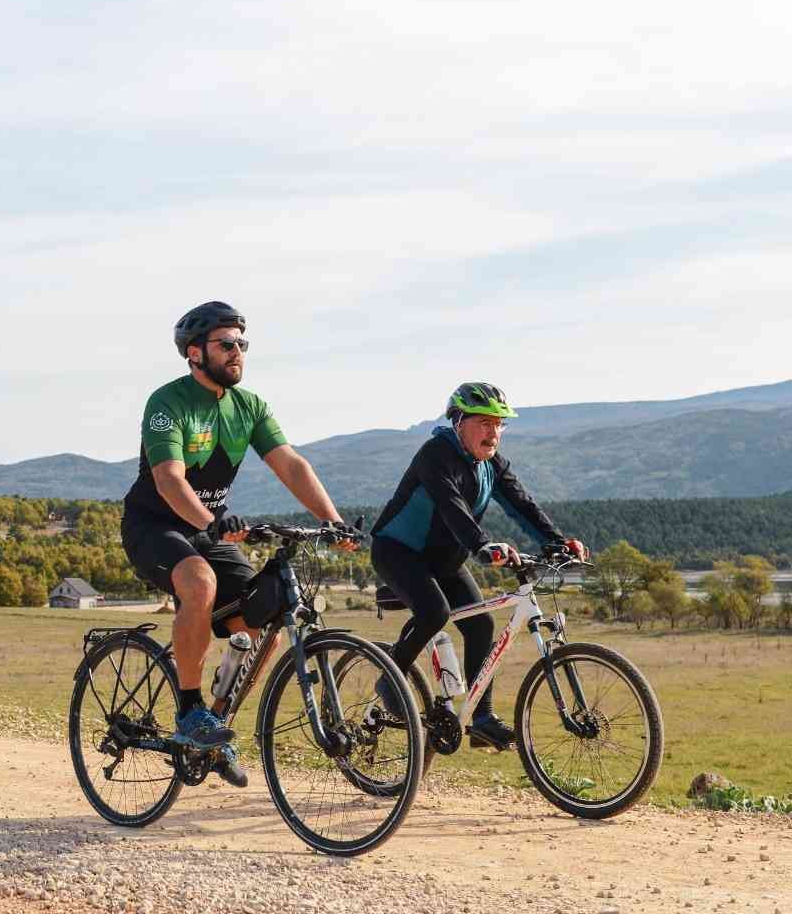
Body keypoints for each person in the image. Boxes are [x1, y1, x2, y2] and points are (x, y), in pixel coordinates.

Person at [121, 302, 355, 787]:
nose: (237, 352)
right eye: (226, 343)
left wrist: (333, 522)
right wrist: (212, 522)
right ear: (194, 353)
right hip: (155, 526)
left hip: (207, 530)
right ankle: (190, 710)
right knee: (200, 581)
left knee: (266, 613)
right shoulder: (168, 402)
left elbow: (291, 465)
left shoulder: (249, 406)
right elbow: (169, 479)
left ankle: (216, 720)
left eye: (242, 343)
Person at [370, 382, 587, 750]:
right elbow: (451, 507)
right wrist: (483, 546)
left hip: (445, 559)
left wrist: (556, 540)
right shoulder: (435, 455)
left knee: (481, 625)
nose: (494, 433)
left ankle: (482, 719)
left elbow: (521, 503)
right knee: (434, 612)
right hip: (398, 551)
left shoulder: (491, 464)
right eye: (485, 423)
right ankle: (389, 678)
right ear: (459, 422)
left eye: (499, 424)